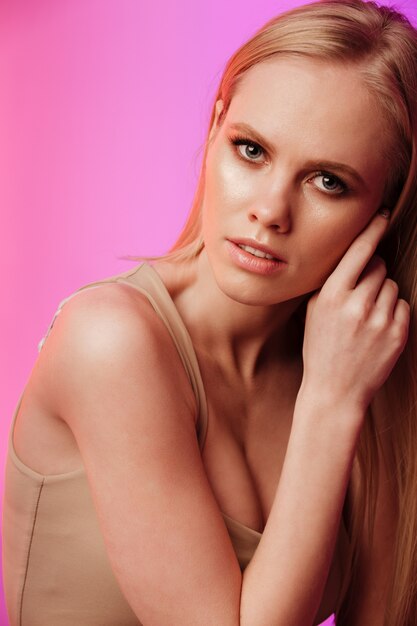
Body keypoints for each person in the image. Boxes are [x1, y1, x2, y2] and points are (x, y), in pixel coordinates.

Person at [2, 0, 417, 623]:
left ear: (386, 208)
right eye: (251, 150)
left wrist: (344, 387)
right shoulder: (111, 341)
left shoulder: (357, 357)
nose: (271, 210)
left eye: (328, 181)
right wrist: (331, 402)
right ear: (215, 127)